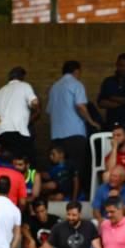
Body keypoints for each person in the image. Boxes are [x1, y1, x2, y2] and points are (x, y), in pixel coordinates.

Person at [48, 60, 100, 197]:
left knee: (60, 171)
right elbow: (80, 106)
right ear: (76, 71)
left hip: (57, 136)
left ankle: (60, 197)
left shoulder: (54, 87)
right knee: (76, 170)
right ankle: (77, 199)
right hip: (74, 134)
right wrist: (91, 121)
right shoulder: (76, 84)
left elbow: (49, 111)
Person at [0, 66, 39, 162]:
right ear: (22, 77)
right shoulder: (25, 86)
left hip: (2, 133)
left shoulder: (0, 91)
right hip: (18, 132)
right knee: (28, 160)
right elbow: (34, 102)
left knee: (7, 160)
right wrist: (35, 109)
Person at [97, 53, 125, 128]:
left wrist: (110, 97)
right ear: (116, 65)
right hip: (111, 124)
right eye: (121, 65)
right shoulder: (108, 81)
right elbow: (101, 103)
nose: (123, 68)